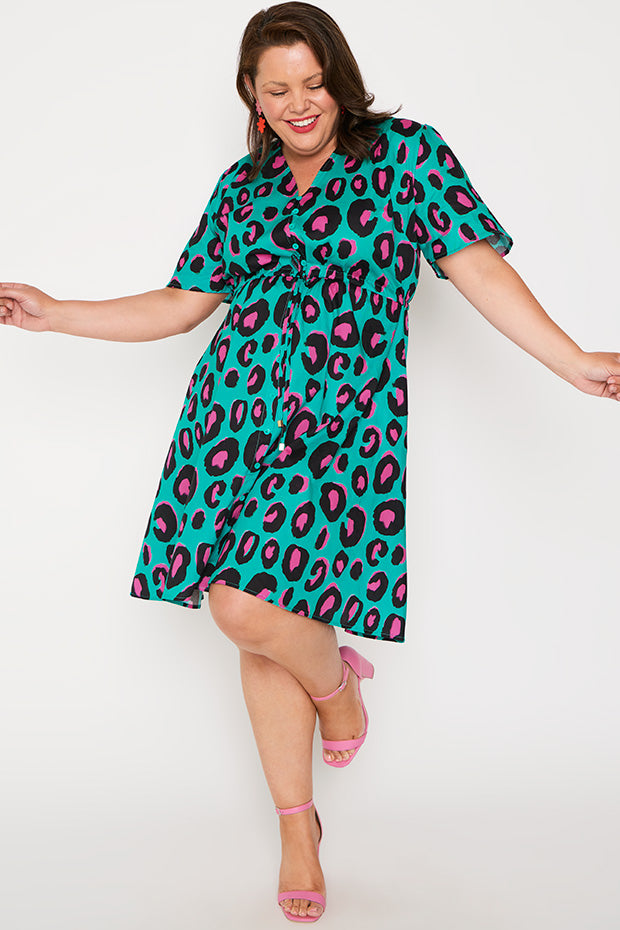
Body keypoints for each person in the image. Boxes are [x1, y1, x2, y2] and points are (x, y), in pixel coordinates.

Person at [1, 1, 619, 922]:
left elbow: (477, 266)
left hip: (344, 429)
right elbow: (179, 306)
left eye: (314, 83)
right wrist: (55, 313)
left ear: (340, 80)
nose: (299, 104)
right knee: (257, 622)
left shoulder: (405, 157)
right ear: (251, 97)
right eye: (278, 89)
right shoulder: (241, 189)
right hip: (231, 422)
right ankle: (299, 831)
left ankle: (337, 692)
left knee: (246, 605)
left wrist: (572, 361)